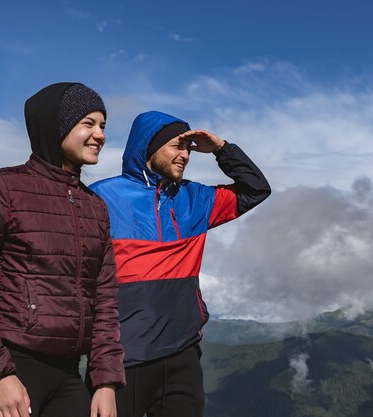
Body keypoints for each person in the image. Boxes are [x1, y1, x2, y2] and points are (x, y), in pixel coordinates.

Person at [0, 82, 126, 417]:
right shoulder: (2, 188)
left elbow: (105, 299)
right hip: (12, 370)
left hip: (71, 376)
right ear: (55, 126)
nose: (99, 134)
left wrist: (105, 381)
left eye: (102, 126)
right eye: (87, 123)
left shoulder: (95, 207)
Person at [89, 111, 271, 416]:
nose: (185, 155)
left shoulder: (195, 199)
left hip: (183, 354)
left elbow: (256, 189)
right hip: (123, 358)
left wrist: (221, 149)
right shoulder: (100, 199)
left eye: (189, 149)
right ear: (148, 147)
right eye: (176, 146)